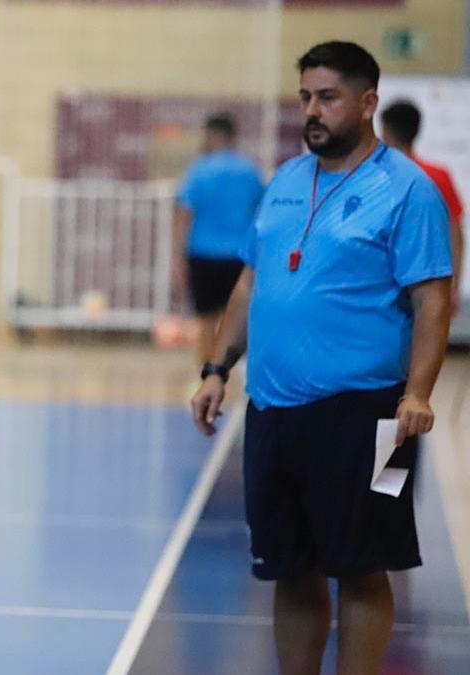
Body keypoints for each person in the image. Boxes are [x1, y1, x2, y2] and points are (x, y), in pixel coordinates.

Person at [190, 42, 453, 675]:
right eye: (305, 96)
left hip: (374, 417)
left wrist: (417, 393)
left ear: (368, 104)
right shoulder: (283, 180)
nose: (312, 110)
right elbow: (250, 285)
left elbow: (434, 303)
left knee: (364, 567)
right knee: (290, 567)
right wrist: (216, 368)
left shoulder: (409, 190)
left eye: (327, 97)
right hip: (275, 413)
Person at [173, 113, 265, 365]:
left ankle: (205, 377)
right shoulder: (249, 170)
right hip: (239, 255)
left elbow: (183, 212)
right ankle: (229, 377)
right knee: (234, 319)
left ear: (211, 136)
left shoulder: (198, 170)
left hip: (202, 254)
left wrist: (177, 256)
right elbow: (263, 211)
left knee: (205, 320)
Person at [381, 99, 465, 313]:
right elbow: (455, 234)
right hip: (428, 283)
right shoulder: (437, 176)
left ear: (386, 131)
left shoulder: (377, 177)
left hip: (385, 285)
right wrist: (453, 288)